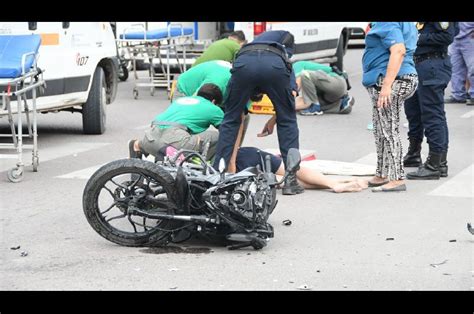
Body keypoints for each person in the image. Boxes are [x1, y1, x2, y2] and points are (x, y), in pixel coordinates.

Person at [212, 30, 304, 195]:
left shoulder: (285, 38)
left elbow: (234, 116)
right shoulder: (282, 48)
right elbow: (288, 68)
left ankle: (218, 177)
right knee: (288, 120)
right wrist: (291, 93)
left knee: (230, 120)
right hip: (274, 63)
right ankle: (290, 180)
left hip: (243, 63)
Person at [362, 22, 418, 192]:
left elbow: (399, 50)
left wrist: (387, 85)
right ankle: (382, 174)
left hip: (392, 80)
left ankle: (396, 177)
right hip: (395, 78)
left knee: (388, 129)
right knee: (380, 129)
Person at [404, 22, 458, 180]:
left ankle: (436, 163)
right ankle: (414, 153)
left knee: (433, 116)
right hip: (417, 64)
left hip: (431, 64)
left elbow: (447, 36)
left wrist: (417, 38)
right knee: (413, 112)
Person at [128, 84, 224, 161]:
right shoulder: (213, 108)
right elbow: (227, 129)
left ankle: (137, 145)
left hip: (149, 139)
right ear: (214, 101)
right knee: (220, 137)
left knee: (172, 135)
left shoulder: (182, 100)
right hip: (174, 143)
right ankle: (211, 171)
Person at [236, 147, 368, 193]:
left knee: (278, 180)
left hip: (228, 164)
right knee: (292, 170)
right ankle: (333, 183)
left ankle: (335, 183)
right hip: (244, 153)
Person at [444, 22, 474, 106]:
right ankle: (458, 95)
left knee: (472, 68)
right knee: (455, 69)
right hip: (454, 38)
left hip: (470, 37)